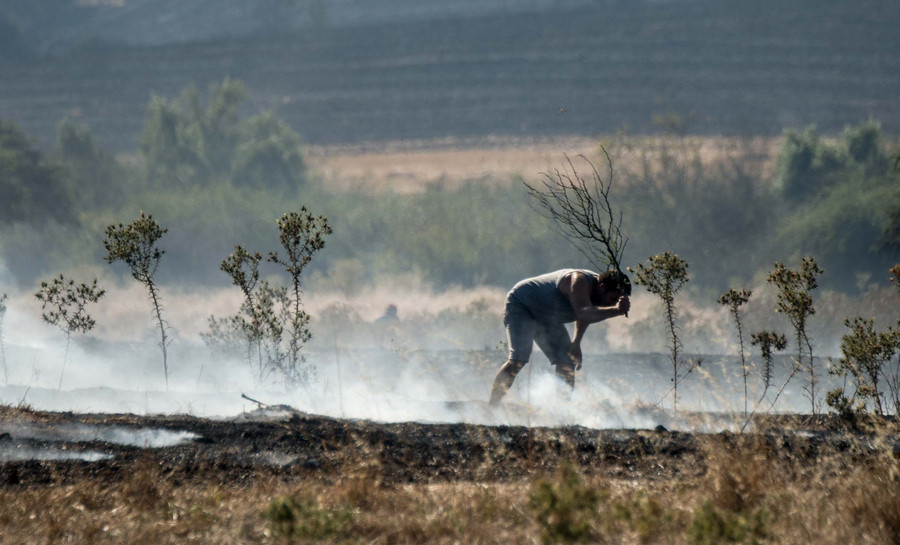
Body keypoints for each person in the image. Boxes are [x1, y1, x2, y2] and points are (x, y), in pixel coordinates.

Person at [488, 268, 631, 405]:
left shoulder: (597, 292)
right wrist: (616, 310)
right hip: (521, 306)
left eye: (614, 302)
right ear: (602, 286)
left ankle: (561, 415)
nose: (610, 304)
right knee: (518, 359)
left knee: (567, 361)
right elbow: (584, 313)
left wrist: (576, 342)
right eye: (612, 299)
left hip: (548, 317)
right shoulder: (578, 280)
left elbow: (585, 314)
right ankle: (492, 409)